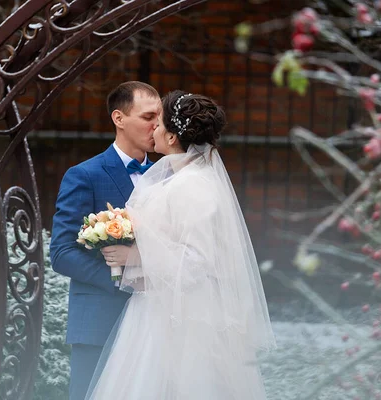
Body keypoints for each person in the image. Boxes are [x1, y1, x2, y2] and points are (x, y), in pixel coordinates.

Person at [86, 91, 276, 399]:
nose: (153, 130)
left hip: (181, 321)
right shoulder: (180, 179)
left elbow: (197, 262)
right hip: (157, 310)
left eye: (158, 123)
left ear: (173, 137)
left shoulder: (193, 186)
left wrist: (133, 256)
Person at [50, 81, 161, 400]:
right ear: (119, 118)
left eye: (159, 117)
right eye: (147, 116)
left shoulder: (164, 180)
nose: (156, 125)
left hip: (154, 324)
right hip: (99, 322)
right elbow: (61, 252)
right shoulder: (84, 175)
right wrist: (123, 281)